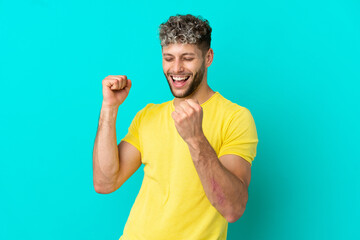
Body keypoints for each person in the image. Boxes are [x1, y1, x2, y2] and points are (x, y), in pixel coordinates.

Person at [93, 14, 258, 240]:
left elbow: (232, 208)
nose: (176, 68)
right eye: (168, 58)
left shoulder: (235, 118)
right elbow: (105, 182)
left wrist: (195, 138)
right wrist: (109, 108)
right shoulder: (148, 116)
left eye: (187, 58)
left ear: (208, 57)